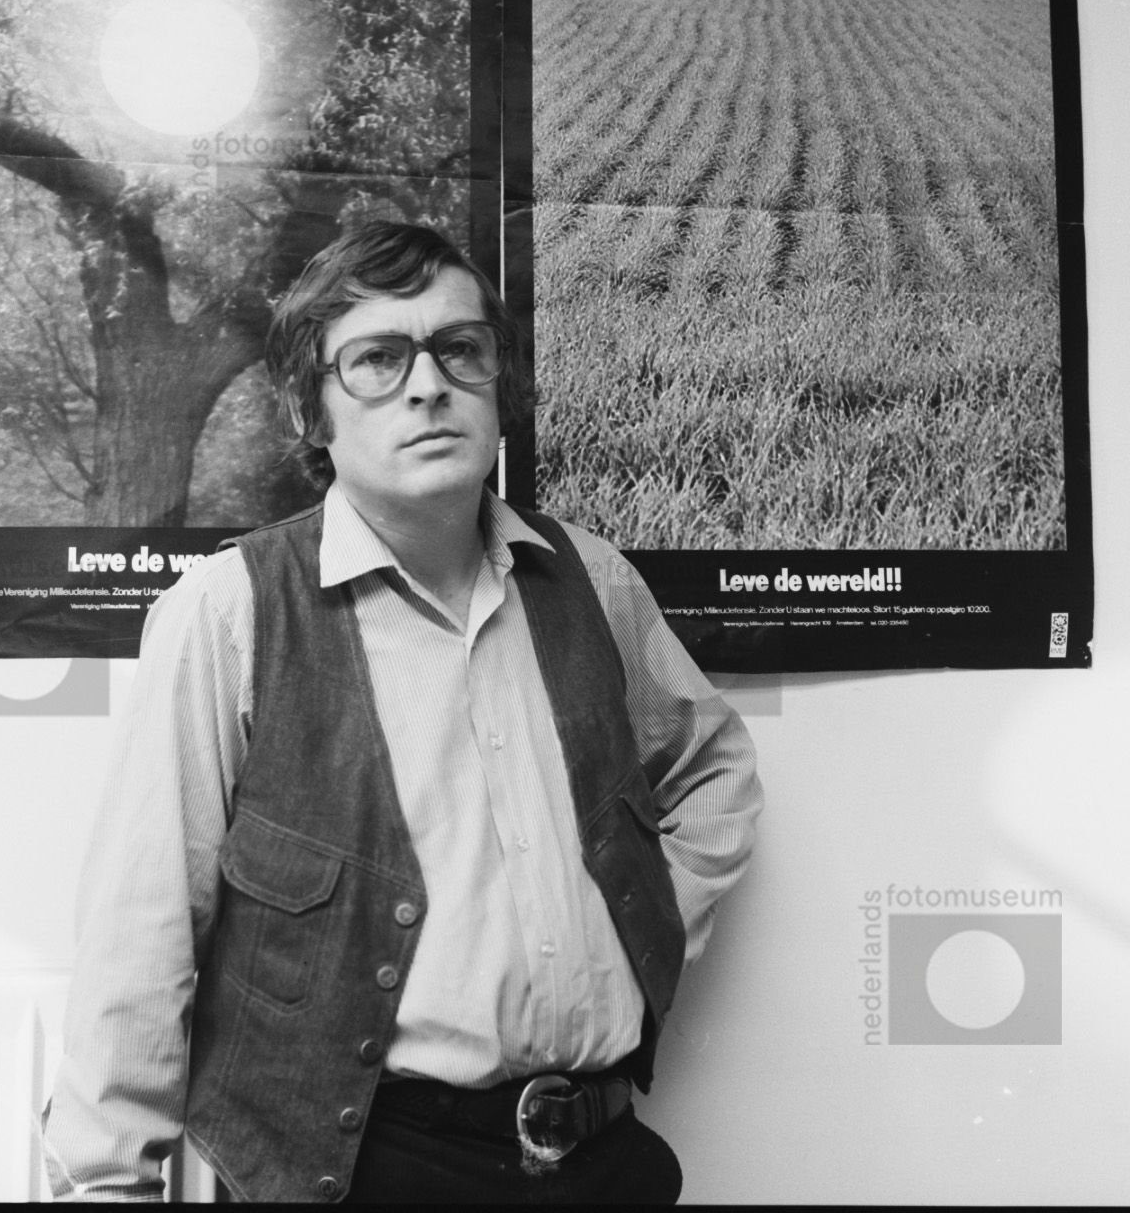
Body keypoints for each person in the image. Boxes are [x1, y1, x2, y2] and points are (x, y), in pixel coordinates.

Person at [40, 220, 762, 1203]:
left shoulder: (591, 580)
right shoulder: (229, 611)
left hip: (602, 1159)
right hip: (361, 1171)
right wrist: (106, 1182)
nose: (428, 385)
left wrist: (641, 926)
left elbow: (712, 768)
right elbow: (143, 920)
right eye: (379, 359)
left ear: (497, 385)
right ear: (312, 407)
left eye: (459, 348)